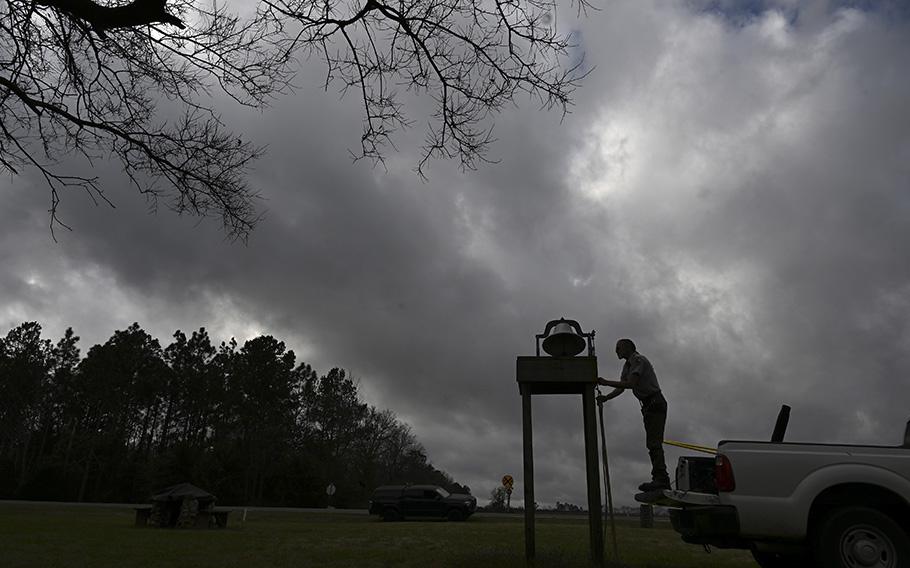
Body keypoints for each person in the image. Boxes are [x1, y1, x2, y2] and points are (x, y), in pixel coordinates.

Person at [597, 338, 671, 492]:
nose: (616, 350)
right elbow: (621, 388)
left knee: (654, 443)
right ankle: (659, 477)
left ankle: (661, 479)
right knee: (652, 444)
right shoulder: (626, 366)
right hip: (648, 406)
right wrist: (606, 398)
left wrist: (605, 382)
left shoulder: (638, 360)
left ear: (628, 348)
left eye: (619, 347)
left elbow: (631, 384)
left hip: (655, 403)